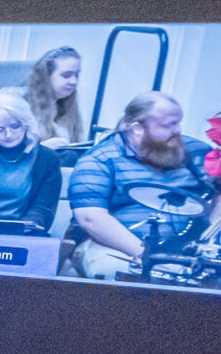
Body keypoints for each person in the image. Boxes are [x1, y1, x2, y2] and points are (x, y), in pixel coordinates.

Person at [67, 91, 216, 278]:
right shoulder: (99, 160)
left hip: (186, 249)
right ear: (137, 128)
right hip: (116, 249)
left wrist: (209, 238)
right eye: (168, 125)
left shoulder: (195, 152)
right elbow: (91, 219)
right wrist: (149, 257)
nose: (177, 131)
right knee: (132, 275)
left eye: (178, 122)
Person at [0, 91, 64, 235]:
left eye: (15, 126)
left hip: (23, 233)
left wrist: (20, 231)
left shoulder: (47, 160)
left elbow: (43, 209)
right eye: (0, 129)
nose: (8, 135)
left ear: (26, 124)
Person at [24, 45, 87, 152]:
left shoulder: (68, 106)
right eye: (66, 75)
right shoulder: (18, 105)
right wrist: (42, 150)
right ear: (46, 76)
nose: (74, 82)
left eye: (77, 75)